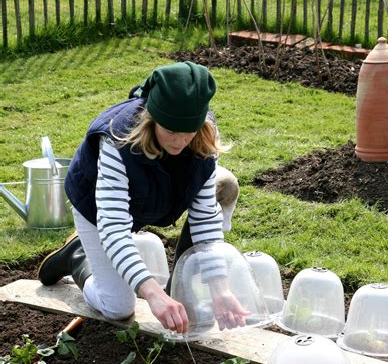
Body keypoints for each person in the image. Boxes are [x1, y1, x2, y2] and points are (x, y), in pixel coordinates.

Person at [38, 61, 248, 333]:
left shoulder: (205, 133)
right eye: (171, 131)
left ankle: (177, 284)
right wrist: (152, 293)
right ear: (152, 118)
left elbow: (205, 216)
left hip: (155, 193)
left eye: (188, 133)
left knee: (225, 185)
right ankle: (78, 256)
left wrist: (220, 289)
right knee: (119, 307)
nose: (179, 141)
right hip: (96, 205)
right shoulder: (118, 139)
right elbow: (114, 228)